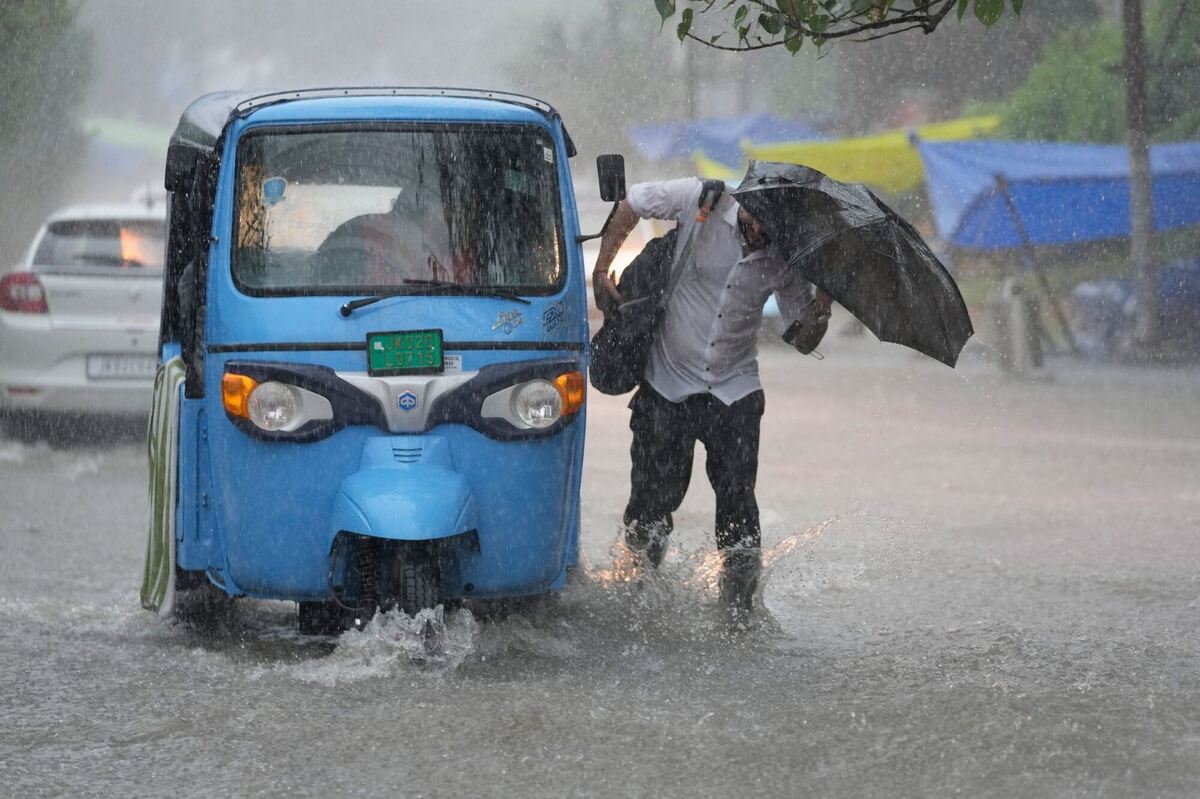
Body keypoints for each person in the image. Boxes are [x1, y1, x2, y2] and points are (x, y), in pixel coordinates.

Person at [592, 176, 832, 613]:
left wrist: (824, 303)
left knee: (739, 512)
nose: (760, 230)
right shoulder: (700, 199)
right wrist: (601, 266)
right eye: (756, 218)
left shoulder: (786, 253)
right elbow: (633, 202)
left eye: (771, 225)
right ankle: (637, 600)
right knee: (649, 508)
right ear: (745, 198)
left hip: (735, 390)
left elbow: (802, 340)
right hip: (667, 384)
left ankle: (739, 615)